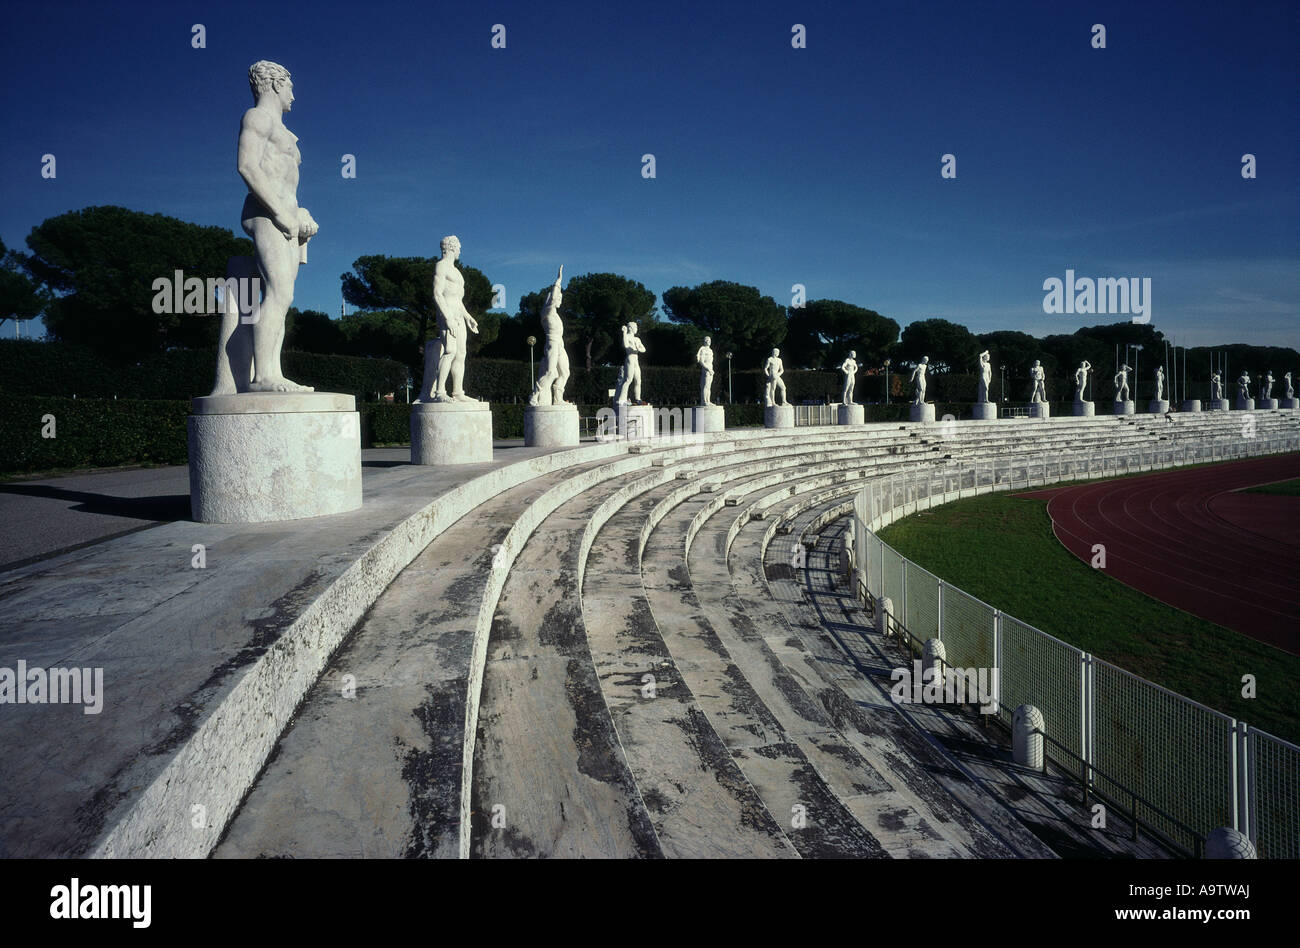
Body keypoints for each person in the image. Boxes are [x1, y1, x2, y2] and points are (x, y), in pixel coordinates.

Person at [210, 60, 319, 395]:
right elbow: (247, 166)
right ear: (274, 83)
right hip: (268, 214)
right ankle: (263, 377)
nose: (293, 95)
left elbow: (288, 183)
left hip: (287, 216)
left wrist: (300, 212)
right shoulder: (256, 117)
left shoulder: (284, 130)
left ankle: (273, 372)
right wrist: (280, 212)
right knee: (279, 292)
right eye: (290, 86)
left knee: (284, 297)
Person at [419, 235, 481, 402]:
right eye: (459, 247)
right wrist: (447, 318)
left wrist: (468, 317)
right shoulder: (441, 266)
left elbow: (458, 300)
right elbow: (437, 294)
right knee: (450, 351)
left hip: (459, 315)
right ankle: (439, 392)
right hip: (447, 314)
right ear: (452, 247)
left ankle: (458, 392)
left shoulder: (456, 271)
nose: (460, 251)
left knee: (461, 353)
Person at [528, 265, 570, 406]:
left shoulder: (556, 315)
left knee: (565, 373)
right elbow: (552, 299)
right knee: (551, 373)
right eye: (559, 297)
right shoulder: (547, 312)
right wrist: (558, 282)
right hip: (552, 343)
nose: (560, 300)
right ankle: (535, 395)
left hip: (560, 344)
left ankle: (558, 399)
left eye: (560, 298)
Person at [615, 322, 645, 404]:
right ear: (631, 328)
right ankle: (622, 399)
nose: (637, 329)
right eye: (636, 327)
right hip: (630, 358)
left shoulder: (637, 339)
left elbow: (644, 349)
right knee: (628, 379)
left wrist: (638, 347)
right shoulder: (627, 336)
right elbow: (625, 345)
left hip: (636, 359)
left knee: (638, 380)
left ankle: (638, 399)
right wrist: (624, 333)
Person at [697, 336, 715, 406]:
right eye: (707, 340)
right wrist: (708, 369)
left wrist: (711, 369)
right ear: (704, 341)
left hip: (711, 369)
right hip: (706, 369)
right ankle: (704, 401)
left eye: (710, 340)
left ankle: (708, 401)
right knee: (705, 386)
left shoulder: (711, 350)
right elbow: (701, 361)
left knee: (709, 387)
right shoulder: (703, 350)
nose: (709, 341)